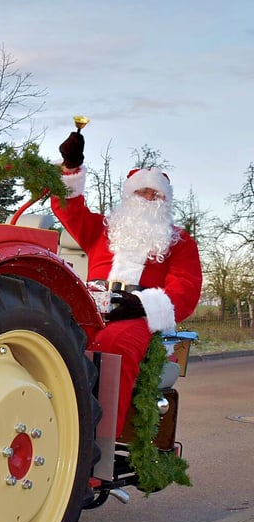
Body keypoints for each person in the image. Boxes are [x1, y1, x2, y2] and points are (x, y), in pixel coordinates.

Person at [53, 130, 203, 438]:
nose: (149, 198)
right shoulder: (103, 231)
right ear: (128, 197)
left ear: (165, 201)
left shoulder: (180, 242)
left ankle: (96, 451)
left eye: (156, 194)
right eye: (142, 192)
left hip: (139, 317)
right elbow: (70, 210)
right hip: (91, 306)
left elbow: (185, 291)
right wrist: (71, 166)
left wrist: (141, 305)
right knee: (53, 340)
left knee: (112, 347)